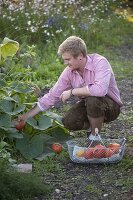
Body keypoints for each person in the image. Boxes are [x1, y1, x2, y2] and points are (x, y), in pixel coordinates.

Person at [17, 36, 123, 141]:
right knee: (69, 122)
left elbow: (100, 90)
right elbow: (52, 96)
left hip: (111, 106)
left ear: (80, 56)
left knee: (93, 100)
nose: (65, 63)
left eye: (68, 59)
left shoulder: (100, 62)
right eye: (64, 59)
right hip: (89, 105)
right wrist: (25, 116)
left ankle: (95, 137)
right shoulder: (69, 71)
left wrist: (72, 91)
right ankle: (93, 124)